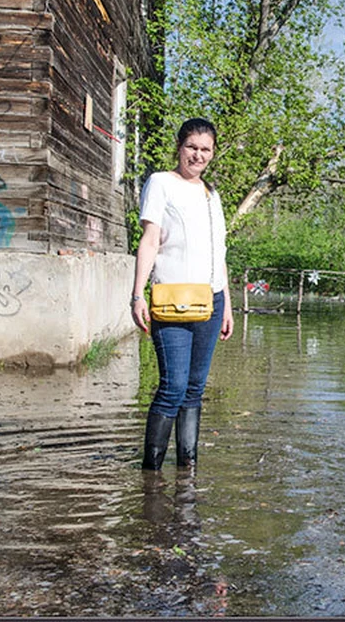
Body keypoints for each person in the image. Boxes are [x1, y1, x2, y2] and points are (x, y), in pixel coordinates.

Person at [131, 117, 234, 472]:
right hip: (170, 300)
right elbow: (149, 239)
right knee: (172, 387)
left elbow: (217, 253)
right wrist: (138, 294)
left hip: (211, 300)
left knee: (194, 389)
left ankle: (187, 469)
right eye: (192, 147)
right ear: (179, 146)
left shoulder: (212, 195)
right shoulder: (160, 183)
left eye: (205, 150)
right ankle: (152, 472)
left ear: (213, 153)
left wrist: (227, 306)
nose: (198, 155)